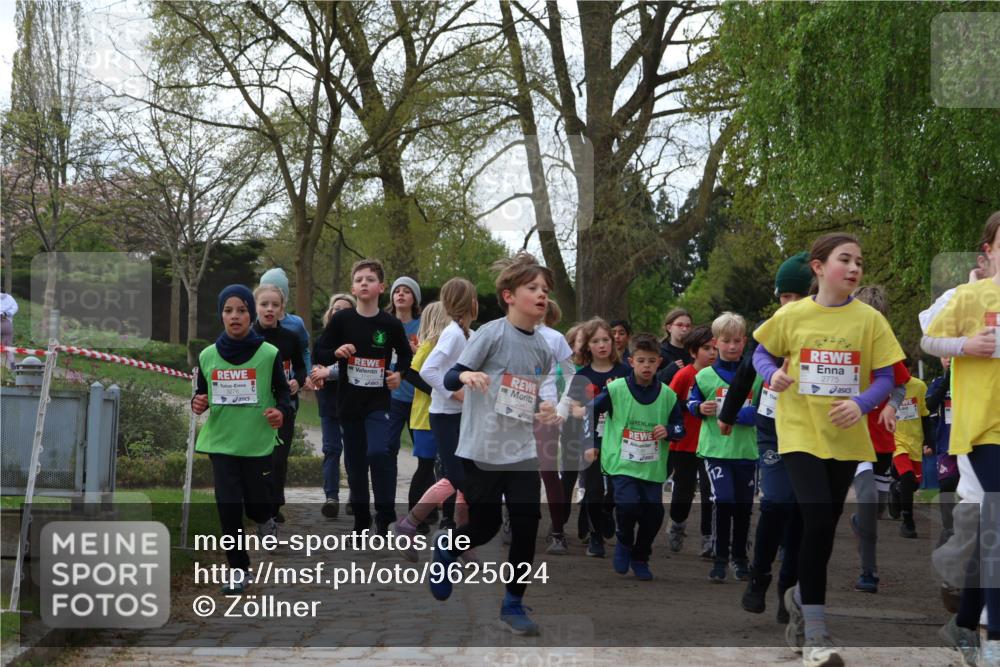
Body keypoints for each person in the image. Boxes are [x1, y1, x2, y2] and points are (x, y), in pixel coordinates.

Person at [752, 232, 904, 666]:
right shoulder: (794, 314)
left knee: (823, 526)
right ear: (819, 267)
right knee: (817, 515)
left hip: (845, 436)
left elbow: (886, 378)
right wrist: (770, 375)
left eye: (860, 261)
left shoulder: (870, 321)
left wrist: (860, 404)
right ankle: (817, 633)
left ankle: (800, 597)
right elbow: (761, 353)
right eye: (845, 260)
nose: (855, 268)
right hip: (799, 431)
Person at [429, 252, 559, 637]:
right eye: (532, 288)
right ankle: (448, 549)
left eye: (545, 290)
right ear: (508, 295)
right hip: (482, 450)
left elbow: (528, 394)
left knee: (525, 526)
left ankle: (513, 603)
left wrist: (544, 408)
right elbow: (450, 375)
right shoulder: (491, 333)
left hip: (521, 452)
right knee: (483, 527)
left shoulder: (543, 348)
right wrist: (467, 376)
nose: (541, 295)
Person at [925, 211, 1000, 665]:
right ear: (988, 249)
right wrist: (965, 347)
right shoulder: (971, 296)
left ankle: (965, 621)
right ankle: (993, 638)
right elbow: (929, 339)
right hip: (985, 426)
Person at [722, 252, 809, 620]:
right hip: (771, 427)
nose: (787, 306)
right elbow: (744, 372)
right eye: (782, 298)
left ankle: (788, 587)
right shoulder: (773, 327)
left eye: (795, 297)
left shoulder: (827, 328)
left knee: (803, 513)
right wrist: (727, 414)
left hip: (811, 431)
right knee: (775, 502)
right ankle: (759, 575)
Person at [190, 285, 292, 595]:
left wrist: (281, 412)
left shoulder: (268, 354)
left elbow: (283, 393)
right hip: (221, 442)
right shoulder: (207, 355)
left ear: (251, 314)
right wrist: (198, 402)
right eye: (228, 311)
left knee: (256, 504)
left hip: (256, 442)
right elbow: (201, 394)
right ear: (221, 315)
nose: (235, 316)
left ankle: (265, 519)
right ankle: (238, 569)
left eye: (242, 310)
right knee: (228, 506)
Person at [312, 259, 415, 536]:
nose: (364, 283)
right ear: (353, 288)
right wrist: (336, 352)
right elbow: (319, 353)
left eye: (370, 279)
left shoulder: (390, 324)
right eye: (359, 280)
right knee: (356, 464)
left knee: (379, 452)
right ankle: (360, 521)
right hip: (348, 402)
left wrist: (399, 375)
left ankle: (385, 516)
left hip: (378, 402)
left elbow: (406, 355)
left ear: (381, 287)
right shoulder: (342, 320)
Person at [583, 332, 685, 580]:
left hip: (651, 465)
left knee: (654, 514)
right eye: (641, 360)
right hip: (621, 462)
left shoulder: (668, 395)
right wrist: (594, 441)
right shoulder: (616, 389)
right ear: (631, 361)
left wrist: (670, 430)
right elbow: (591, 411)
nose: (646, 366)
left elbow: (681, 428)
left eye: (651, 361)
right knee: (628, 506)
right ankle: (624, 543)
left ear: (659, 362)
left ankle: (641, 555)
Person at [688, 312, 761, 583]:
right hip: (716, 451)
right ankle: (719, 558)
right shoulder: (704, 376)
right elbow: (691, 403)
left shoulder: (756, 376)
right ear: (715, 343)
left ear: (745, 342)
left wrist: (730, 415)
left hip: (746, 451)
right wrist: (699, 408)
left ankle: (740, 558)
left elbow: (763, 411)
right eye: (726, 341)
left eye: (738, 341)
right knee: (724, 500)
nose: (732, 347)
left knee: (743, 507)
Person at [560, 317, 630, 557]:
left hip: (619, 439)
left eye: (606, 340)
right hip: (589, 438)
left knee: (616, 489)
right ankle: (596, 538)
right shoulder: (583, 376)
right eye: (596, 341)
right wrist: (595, 404)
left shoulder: (625, 372)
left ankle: (606, 512)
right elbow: (577, 410)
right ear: (587, 346)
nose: (602, 345)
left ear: (613, 343)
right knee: (592, 489)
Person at [417, 277, 479, 531]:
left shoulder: (469, 334)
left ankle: (463, 538)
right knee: (457, 477)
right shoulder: (452, 334)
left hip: (462, 416)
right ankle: (410, 523)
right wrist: (453, 393)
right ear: (471, 304)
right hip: (444, 416)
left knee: (465, 476)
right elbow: (427, 370)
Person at [253, 284, 306, 525]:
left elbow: (301, 365)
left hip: (284, 406)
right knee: (256, 458)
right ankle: (260, 503)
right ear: (255, 307)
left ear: (282, 308)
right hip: (253, 408)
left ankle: (274, 507)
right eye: (264, 304)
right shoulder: (248, 338)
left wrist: (297, 380)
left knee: (278, 458)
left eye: (275, 305)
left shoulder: (290, 338)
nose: (269, 309)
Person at [665, 325, 717, 557]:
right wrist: (691, 406)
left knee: (709, 491)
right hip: (684, 443)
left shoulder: (720, 374)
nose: (712, 353)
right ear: (693, 352)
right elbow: (669, 403)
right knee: (684, 491)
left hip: (712, 443)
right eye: (706, 348)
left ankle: (709, 538)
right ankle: (677, 524)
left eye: (715, 348)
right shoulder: (685, 375)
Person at [536, 299, 577, 555]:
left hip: (546, 410)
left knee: (548, 472)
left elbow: (572, 374)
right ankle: (512, 520)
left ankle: (558, 532)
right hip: (513, 409)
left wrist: (563, 406)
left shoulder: (554, 338)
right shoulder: (505, 332)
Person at [311, 293, 355, 518]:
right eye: (335, 308)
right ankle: (331, 498)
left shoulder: (357, 341)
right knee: (331, 449)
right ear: (330, 313)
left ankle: (354, 497)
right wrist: (315, 376)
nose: (339, 312)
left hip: (352, 403)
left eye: (345, 310)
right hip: (328, 403)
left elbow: (353, 370)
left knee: (354, 451)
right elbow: (315, 366)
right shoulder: (321, 340)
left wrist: (328, 373)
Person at [386, 276, 423, 473]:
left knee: (424, 450)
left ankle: (430, 494)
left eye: (406, 291)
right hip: (392, 396)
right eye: (397, 290)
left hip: (418, 396)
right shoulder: (384, 322)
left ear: (414, 299)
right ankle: (386, 490)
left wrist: (416, 351)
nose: (401, 294)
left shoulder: (423, 325)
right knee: (388, 446)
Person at [890, 365, 932, 539]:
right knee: (907, 477)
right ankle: (908, 522)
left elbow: (925, 415)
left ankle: (896, 489)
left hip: (915, 441)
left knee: (913, 484)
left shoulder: (919, 386)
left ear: (908, 369)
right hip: (895, 441)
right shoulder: (885, 387)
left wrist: (929, 441)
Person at [259, 268, 312, 372]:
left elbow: (304, 351)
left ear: (284, 298)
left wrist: (307, 375)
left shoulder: (296, 323)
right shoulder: (251, 324)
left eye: (276, 291)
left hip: (290, 385)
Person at [657, 308, 693, 380]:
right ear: (669, 328)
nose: (684, 329)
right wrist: (670, 370)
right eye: (680, 325)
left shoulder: (694, 352)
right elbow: (649, 380)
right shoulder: (659, 351)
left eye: (688, 326)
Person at [0, 290, 17, 369]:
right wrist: (7, 313)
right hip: (7, 323)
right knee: (8, 347)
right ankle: (13, 366)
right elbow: (16, 307)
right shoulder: (10, 298)